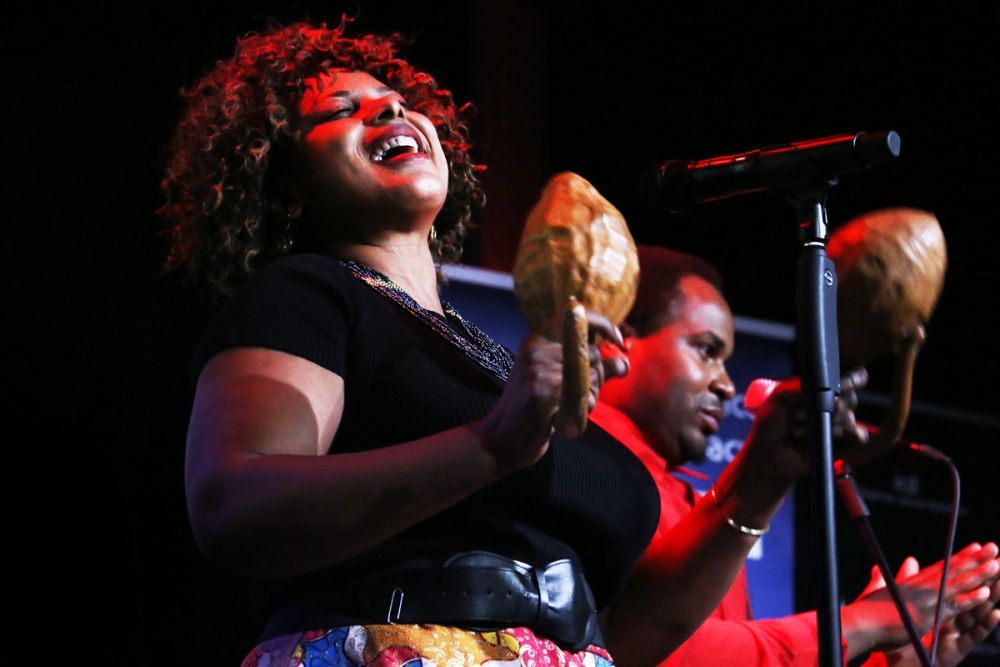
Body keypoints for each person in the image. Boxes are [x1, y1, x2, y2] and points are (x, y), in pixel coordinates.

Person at [594, 245, 1000, 667]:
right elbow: (633, 646)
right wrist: (861, 624)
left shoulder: (696, 508)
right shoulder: (570, 469)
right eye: (706, 350)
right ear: (616, 342)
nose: (727, 386)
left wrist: (884, 662)